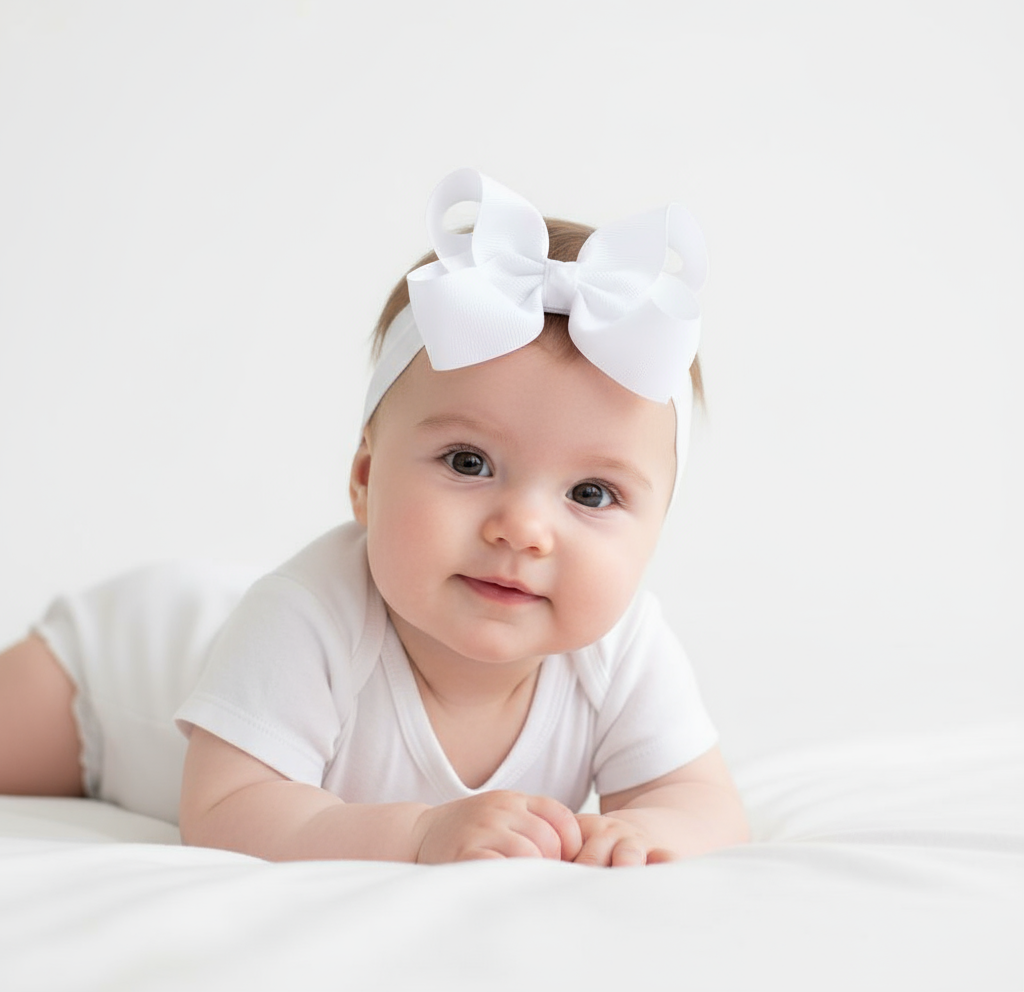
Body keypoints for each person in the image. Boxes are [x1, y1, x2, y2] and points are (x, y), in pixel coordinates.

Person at [0, 169, 750, 866]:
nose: (522, 529)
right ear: (365, 478)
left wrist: (645, 835)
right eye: (468, 462)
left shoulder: (624, 653)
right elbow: (227, 808)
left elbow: (701, 802)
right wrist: (419, 833)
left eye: (591, 494)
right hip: (111, 675)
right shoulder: (305, 618)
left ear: (657, 530)